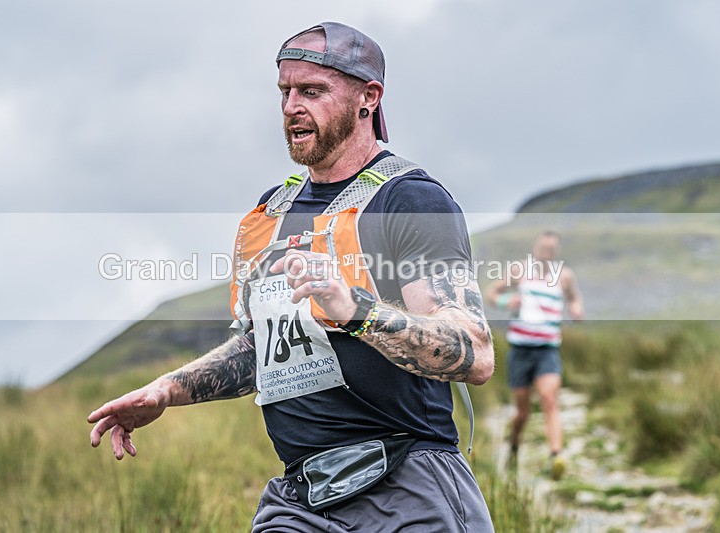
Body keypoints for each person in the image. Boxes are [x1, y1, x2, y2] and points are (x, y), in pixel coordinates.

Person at [88, 21, 495, 531]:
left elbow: (473, 351)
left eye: (312, 91)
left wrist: (354, 310)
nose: (290, 108)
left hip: (407, 486)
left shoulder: (410, 201)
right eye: (285, 91)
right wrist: (167, 391)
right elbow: (265, 348)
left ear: (369, 98)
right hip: (301, 498)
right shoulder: (273, 213)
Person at [485, 230, 583, 480]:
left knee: (550, 400)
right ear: (535, 248)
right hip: (520, 351)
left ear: (556, 252)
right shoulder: (519, 270)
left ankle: (556, 456)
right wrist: (507, 300)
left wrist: (575, 309)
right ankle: (514, 446)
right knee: (522, 413)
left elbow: (574, 298)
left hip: (548, 350)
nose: (546, 253)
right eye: (543, 249)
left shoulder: (565, 276)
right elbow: (492, 294)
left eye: (551, 250)